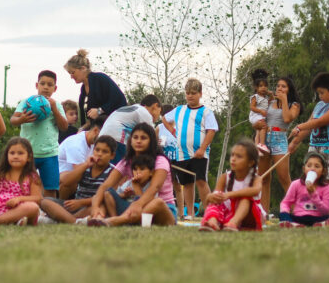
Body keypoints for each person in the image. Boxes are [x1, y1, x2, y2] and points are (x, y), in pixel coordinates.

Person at [87, 123, 177, 227]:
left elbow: (154, 187)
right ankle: (98, 218)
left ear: (151, 141)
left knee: (158, 202)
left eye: (143, 138)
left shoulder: (160, 160)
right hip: (134, 208)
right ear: (130, 140)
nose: (138, 141)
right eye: (135, 137)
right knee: (102, 195)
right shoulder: (127, 161)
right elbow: (106, 185)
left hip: (161, 209)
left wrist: (138, 204)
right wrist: (95, 207)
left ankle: (116, 221)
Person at [161, 78, 218, 221]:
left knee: (201, 181)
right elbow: (164, 119)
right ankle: (190, 214)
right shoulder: (179, 110)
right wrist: (173, 131)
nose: (190, 96)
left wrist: (202, 149)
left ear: (200, 94)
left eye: (193, 93)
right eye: (188, 93)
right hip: (182, 154)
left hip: (199, 154)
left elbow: (211, 131)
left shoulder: (206, 112)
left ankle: (210, 213)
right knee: (186, 183)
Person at [11, 70, 69, 196]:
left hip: (49, 153)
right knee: (22, 187)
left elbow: (64, 126)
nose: (46, 87)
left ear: (55, 88)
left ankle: (48, 208)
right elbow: (13, 120)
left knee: (50, 188)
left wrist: (54, 109)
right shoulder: (27, 102)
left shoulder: (57, 105)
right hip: (27, 153)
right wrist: (22, 119)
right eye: (42, 84)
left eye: (50, 84)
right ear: (37, 85)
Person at [43, 134, 117, 224]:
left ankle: (67, 220)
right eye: (97, 150)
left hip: (90, 206)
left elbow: (107, 197)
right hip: (75, 205)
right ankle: (73, 220)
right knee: (45, 201)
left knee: (101, 207)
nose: (99, 154)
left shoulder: (113, 172)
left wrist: (81, 203)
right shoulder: (86, 166)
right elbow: (66, 182)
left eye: (105, 152)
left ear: (112, 155)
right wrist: (85, 165)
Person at [290, 72, 329, 190]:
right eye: (318, 93)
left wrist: (299, 126)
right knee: (310, 180)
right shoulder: (319, 105)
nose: (320, 96)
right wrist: (294, 142)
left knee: (328, 182)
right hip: (314, 147)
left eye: (322, 93)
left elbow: (319, 122)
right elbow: (310, 125)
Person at [0, 136, 42, 225]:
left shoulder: (32, 177)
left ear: (29, 157)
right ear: (7, 156)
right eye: (12, 153)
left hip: (20, 207)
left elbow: (37, 198)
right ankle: (12, 221)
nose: (16, 156)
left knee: (33, 207)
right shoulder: (0, 173)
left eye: (20, 153)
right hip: (0, 205)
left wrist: (19, 199)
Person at [200, 139, 265, 232]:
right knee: (216, 201)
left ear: (250, 162)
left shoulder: (256, 178)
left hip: (250, 216)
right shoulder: (224, 177)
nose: (233, 159)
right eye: (232, 155)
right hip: (229, 213)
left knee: (245, 199)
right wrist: (210, 197)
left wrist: (229, 194)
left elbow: (255, 191)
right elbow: (215, 195)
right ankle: (212, 223)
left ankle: (233, 223)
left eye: (239, 156)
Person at [259, 76, 301, 211]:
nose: (280, 88)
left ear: (289, 89)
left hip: (279, 139)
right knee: (263, 178)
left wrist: (284, 100)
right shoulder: (270, 102)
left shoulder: (294, 105)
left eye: (283, 86)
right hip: (265, 138)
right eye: (278, 86)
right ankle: (264, 214)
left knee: (284, 178)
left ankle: (297, 212)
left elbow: (287, 119)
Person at [64, 49, 127, 127]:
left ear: (83, 68)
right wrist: (83, 128)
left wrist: (100, 110)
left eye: (73, 72)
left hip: (115, 124)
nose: (71, 76)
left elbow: (118, 98)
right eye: (70, 74)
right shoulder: (83, 89)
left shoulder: (100, 78)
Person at [97, 95, 163, 163]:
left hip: (102, 136)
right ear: (155, 106)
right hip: (117, 138)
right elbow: (151, 136)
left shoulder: (134, 108)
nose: (159, 116)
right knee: (119, 166)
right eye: (160, 112)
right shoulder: (144, 112)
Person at [278, 152, 329, 227]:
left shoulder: (327, 187)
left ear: (323, 171)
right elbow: (285, 202)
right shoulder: (296, 184)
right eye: (309, 166)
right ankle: (291, 223)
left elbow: (325, 211)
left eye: (317, 166)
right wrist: (285, 212)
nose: (312, 169)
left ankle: (320, 224)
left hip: (317, 218)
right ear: (304, 169)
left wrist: (314, 195)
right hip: (298, 217)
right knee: (283, 215)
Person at [57, 117, 104, 199]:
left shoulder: (92, 142)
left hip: (67, 175)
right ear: (96, 130)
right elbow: (80, 173)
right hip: (58, 175)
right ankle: (60, 203)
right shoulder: (76, 144)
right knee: (73, 180)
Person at [249, 69, 271, 154]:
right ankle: (262, 144)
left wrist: (271, 95)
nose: (263, 88)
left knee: (258, 131)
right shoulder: (256, 96)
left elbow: (269, 103)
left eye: (265, 86)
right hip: (256, 115)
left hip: (260, 116)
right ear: (256, 88)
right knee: (264, 126)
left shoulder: (265, 98)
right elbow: (252, 107)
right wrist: (261, 111)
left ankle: (257, 146)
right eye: (261, 86)